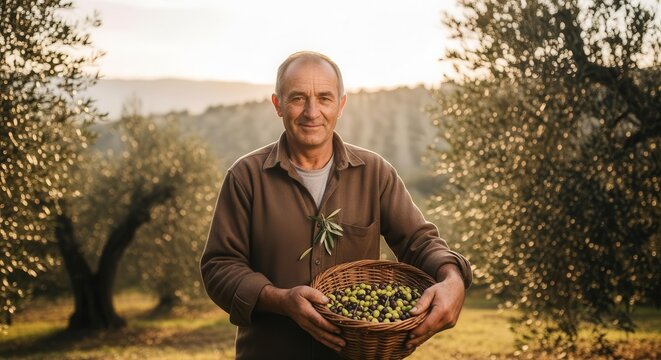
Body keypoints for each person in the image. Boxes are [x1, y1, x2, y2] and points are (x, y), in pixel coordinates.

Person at [200, 51, 472, 359]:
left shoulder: (375, 173)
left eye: (325, 98)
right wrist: (279, 299)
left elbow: (419, 242)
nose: (312, 112)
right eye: (298, 98)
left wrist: (452, 278)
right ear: (278, 105)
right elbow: (219, 267)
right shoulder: (245, 177)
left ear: (341, 105)